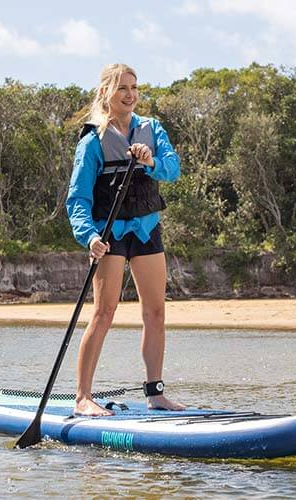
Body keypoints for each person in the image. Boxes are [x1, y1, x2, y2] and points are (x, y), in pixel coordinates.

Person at [66, 63, 185, 416]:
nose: (130, 94)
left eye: (134, 87)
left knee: (156, 312)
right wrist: (89, 238)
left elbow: (173, 168)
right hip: (110, 235)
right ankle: (83, 397)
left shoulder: (152, 130)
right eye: (122, 88)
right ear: (106, 93)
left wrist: (150, 162)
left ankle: (156, 393)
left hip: (146, 229)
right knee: (104, 312)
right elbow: (78, 199)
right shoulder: (92, 142)